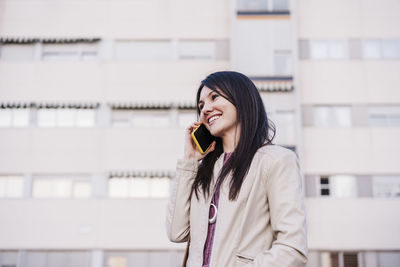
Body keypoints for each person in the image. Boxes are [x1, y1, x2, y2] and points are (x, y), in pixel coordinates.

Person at [166, 71, 308, 267]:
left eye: (214, 97)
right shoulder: (205, 171)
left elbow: (292, 249)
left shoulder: (275, 161)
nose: (206, 109)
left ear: (242, 99)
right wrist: (189, 161)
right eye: (201, 105)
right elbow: (176, 232)